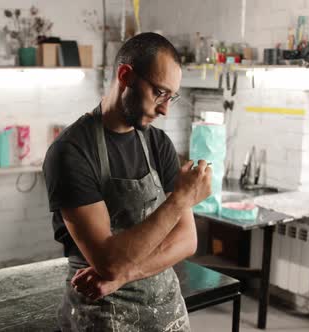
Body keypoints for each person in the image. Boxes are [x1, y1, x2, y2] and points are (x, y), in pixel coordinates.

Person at [43, 32, 212, 331]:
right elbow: (108, 263)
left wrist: (124, 277)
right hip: (102, 314)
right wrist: (180, 199)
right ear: (126, 76)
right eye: (159, 93)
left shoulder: (158, 143)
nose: (164, 109)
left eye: (171, 96)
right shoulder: (71, 152)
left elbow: (187, 240)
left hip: (166, 312)